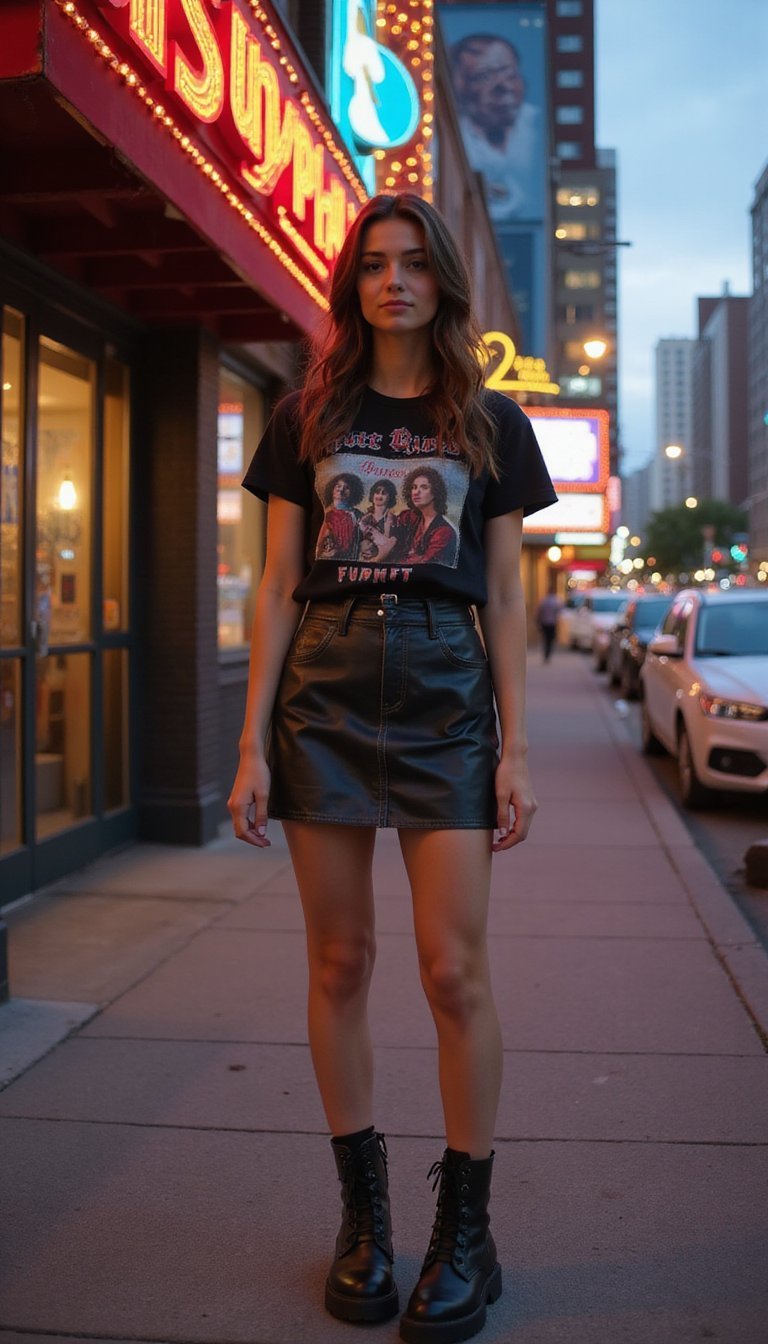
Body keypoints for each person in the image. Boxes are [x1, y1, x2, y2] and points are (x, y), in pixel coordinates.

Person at [228, 192, 557, 1344]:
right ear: (352, 282)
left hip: (444, 695)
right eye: (374, 264)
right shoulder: (304, 414)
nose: (394, 282)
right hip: (321, 692)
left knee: (450, 969)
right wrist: (250, 744)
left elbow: (507, 596)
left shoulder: (490, 422)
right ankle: (364, 1224)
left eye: (415, 263)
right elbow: (275, 588)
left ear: (443, 280)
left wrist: (516, 746)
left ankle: (468, 1233)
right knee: (338, 959)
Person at [448, 34, 541, 222]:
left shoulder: (536, 125)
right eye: (484, 77)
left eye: (510, 74)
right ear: (459, 87)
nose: (504, 86)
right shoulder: (446, 141)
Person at [398, 466, 459, 566]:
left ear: (435, 492)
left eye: (424, 487)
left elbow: (424, 564)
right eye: (414, 487)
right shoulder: (410, 517)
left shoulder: (444, 532)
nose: (416, 492)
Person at [536, 588, 562, 663]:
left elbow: (539, 612)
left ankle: (546, 654)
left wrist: (538, 622)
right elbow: (558, 612)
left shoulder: (543, 601)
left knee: (545, 639)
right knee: (550, 640)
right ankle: (548, 654)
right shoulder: (555, 601)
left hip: (544, 623)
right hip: (552, 623)